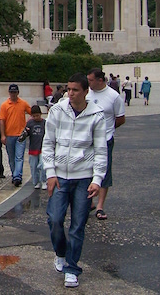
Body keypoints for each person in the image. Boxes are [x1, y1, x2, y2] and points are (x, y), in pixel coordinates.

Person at [43, 73, 107, 289]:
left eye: (75, 90)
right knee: (54, 219)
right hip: (60, 175)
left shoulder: (96, 115)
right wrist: (50, 173)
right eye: (68, 89)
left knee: (78, 225)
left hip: (83, 177)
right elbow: (48, 142)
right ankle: (60, 252)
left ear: (85, 91)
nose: (70, 93)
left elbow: (100, 149)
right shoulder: (57, 110)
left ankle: (72, 267)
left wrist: (97, 179)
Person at [86, 68, 126, 221]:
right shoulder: (87, 93)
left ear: (100, 80)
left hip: (105, 139)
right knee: (87, 170)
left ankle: (100, 206)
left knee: (104, 171)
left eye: (91, 80)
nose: (88, 83)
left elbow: (121, 118)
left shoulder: (113, 96)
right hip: (88, 139)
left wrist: (107, 129)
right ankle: (89, 201)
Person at [0, 84, 31, 187]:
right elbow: (2, 121)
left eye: (15, 92)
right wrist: (3, 135)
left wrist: (28, 124)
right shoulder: (4, 105)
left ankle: (17, 176)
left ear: (18, 93)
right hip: (9, 135)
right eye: (11, 92)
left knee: (19, 156)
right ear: (9, 93)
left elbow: (32, 112)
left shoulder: (23, 103)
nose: (13, 94)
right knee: (11, 157)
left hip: (20, 134)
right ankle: (15, 174)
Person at [21, 105, 47, 189]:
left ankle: (43, 180)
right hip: (33, 148)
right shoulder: (30, 123)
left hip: (43, 148)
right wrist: (24, 134)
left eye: (37, 115)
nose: (36, 117)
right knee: (33, 166)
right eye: (34, 116)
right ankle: (36, 181)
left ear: (41, 114)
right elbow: (26, 133)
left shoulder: (44, 123)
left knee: (43, 165)